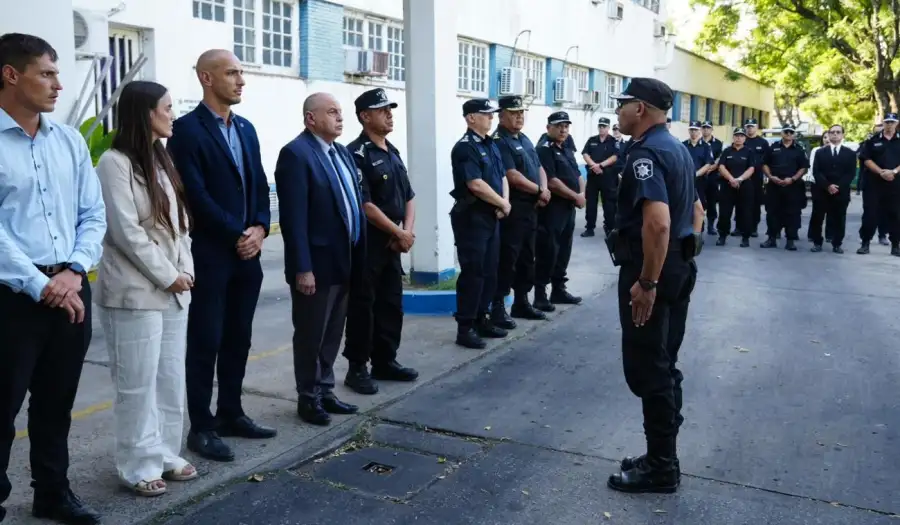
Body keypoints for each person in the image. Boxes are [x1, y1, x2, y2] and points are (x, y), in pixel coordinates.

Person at [0, 33, 106, 524]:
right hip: (10, 299)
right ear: (10, 74)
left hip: (69, 291)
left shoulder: (67, 142)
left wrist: (72, 270)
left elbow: (93, 214)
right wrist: (39, 282)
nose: (58, 84)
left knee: (56, 402)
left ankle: (53, 492)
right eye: (46, 73)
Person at [167, 49, 276, 463]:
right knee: (206, 340)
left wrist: (261, 227)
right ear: (206, 78)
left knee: (238, 338)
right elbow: (195, 194)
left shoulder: (245, 128)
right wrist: (238, 232)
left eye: (241, 72)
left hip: (249, 254)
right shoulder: (186, 131)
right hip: (212, 253)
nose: (241, 80)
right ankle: (202, 427)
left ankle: (232, 412)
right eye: (232, 73)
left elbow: (261, 183)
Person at [94, 81, 198, 497]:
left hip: (174, 289)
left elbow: (181, 226)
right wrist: (167, 274)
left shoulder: (161, 158)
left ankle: (166, 453)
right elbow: (125, 232)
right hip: (134, 293)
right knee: (136, 383)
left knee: (170, 378)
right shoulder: (113, 163)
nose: (172, 114)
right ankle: (138, 464)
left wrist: (184, 272)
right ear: (144, 113)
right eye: (167, 108)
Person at [604, 77, 700, 494]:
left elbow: (658, 222)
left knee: (648, 366)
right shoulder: (676, 148)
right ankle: (663, 455)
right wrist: (681, 260)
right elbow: (696, 211)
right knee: (664, 361)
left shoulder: (647, 153)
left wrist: (648, 281)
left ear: (640, 108)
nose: (619, 111)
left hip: (653, 270)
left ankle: (662, 466)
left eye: (623, 104)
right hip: (676, 266)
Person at [275, 93, 364, 425]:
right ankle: (308, 397)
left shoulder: (340, 152)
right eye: (331, 112)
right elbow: (294, 219)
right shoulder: (296, 154)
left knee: (332, 333)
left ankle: (326, 390)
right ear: (311, 119)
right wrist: (303, 268)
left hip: (345, 261)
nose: (340, 118)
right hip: (316, 266)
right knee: (311, 333)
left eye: (341, 112)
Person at [342, 88, 419, 396]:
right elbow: (365, 205)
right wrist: (397, 233)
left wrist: (407, 232)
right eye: (382, 110)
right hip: (369, 246)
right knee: (363, 307)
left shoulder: (393, 152)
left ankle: (385, 361)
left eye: (390, 109)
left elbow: (409, 196)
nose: (389, 114)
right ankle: (357, 368)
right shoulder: (356, 154)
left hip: (394, 244)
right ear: (365, 116)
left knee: (391, 305)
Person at [449, 98, 509, 349]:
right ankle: (465, 327)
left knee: (489, 270)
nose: (491, 118)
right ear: (471, 117)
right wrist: (502, 204)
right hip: (472, 218)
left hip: (491, 216)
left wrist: (503, 202)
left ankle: (482, 317)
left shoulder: (491, 144)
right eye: (486, 114)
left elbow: (502, 175)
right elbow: (475, 184)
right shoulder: (465, 148)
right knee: (473, 272)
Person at [490, 95, 550, 329]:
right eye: (514, 113)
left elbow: (539, 166)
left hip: (532, 208)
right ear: (501, 115)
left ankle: (522, 301)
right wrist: (539, 190)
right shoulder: (499, 141)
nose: (519, 117)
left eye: (521, 113)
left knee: (527, 256)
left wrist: (543, 189)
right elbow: (512, 176)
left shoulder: (524, 138)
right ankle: (497, 307)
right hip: (513, 210)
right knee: (508, 258)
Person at [535, 112, 584, 311]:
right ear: (549, 128)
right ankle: (540, 294)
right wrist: (576, 196)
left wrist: (582, 194)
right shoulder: (544, 149)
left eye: (566, 126)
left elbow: (577, 174)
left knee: (564, 249)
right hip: (552, 209)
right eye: (559, 126)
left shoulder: (566, 147)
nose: (563, 130)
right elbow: (552, 182)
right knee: (548, 250)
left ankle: (558, 289)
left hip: (569, 208)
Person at [856, 112, 900, 256]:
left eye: (892, 122)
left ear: (896, 123)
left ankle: (895, 245)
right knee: (870, 214)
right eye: (887, 122)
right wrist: (881, 172)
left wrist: (893, 172)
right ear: (883, 123)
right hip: (874, 183)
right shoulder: (872, 140)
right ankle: (865, 243)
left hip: (895, 183)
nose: (889, 125)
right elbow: (866, 159)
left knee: (895, 214)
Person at [760, 124, 809, 251]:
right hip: (774, 185)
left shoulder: (799, 149)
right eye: (786, 132)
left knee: (792, 214)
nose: (788, 134)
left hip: (793, 186)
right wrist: (771, 177)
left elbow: (804, 167)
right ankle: (771, 238)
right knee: (772, 212)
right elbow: (764, 163)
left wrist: (792, 179)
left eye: (791, 132)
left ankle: (790, 240)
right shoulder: (773, 147)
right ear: (781, 133)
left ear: (794, 134)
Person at [810, 124, 855, 253]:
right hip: (822, 191)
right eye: (832, 132)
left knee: (839, 218)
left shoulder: (850, 153)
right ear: (828, 135)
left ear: (842, 135)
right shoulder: (820, 152)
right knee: (818, 217)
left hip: (841, 192)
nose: (835, 134)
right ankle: (817, 242)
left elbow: (850, 173)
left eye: (838, 132)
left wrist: (838, 186)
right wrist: (827, 185)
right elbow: (816, 172)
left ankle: (837, 243)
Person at [715, 128, 756, 247]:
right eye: (737, 136)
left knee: (745, 212)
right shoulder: (727, 151)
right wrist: (731, 179)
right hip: (727, 185)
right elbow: (721, 166)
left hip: (744, 185)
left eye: (741, 136)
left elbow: (751, 168)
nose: (739, 138)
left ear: (745, 138)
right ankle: (722, 235)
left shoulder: (749, 151)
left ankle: (745, 237)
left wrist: (739, 179)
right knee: (724, 212)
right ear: (733, 137)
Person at [581, 117, 620, 237]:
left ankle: (609, 228)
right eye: (600, 126)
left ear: (608, 128)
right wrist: (593, 165)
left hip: (607, 177)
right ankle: (590, 228)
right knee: (591, 203)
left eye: (604, 126)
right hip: (593, 176)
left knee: (609, 204)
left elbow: (615, 156)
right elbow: (585, 153)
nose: (602, 128)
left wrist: (601, 165)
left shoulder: (613, 141)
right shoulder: (592, 140)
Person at [681, 121, 714, 230]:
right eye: (691, 130)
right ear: (689, 131)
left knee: (700, 206)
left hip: (699, 181)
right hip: (685, 180)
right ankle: (686, 228)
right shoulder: (683, 145)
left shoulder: (706, 146)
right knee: (685, 205)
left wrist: (695, 174)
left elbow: (708, 164)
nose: (693, 132)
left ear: (699, 131)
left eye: (695, 130)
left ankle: (699, 231)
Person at [742, 118, 770, 238]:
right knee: (741, 203)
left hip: (756, 178)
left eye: (752, 126)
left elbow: (766, 160)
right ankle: (740, 226)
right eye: (748, 126)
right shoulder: (742, 139)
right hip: (742, 176)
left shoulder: (762, 142)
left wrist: (766, 176)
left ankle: (753, 227)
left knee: (755, 204)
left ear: (756, 127)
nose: (750, 128)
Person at [700, 121, 723, 235]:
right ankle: (700, 225)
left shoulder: (718, 143)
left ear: (711, 129)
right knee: (699, 201)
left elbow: (719, 159)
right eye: (703, 128)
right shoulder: (698, 143)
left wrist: (711, 167)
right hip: (700, 177)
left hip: (712, 177)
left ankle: (710, 225)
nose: (705, 130)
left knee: (712, 201)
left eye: (708, 128)